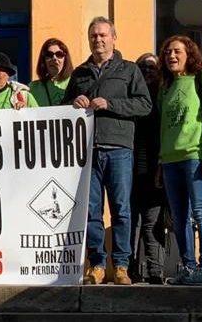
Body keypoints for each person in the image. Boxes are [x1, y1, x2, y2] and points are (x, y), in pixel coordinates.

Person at [65, 17, 152, 286]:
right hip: (88, 151)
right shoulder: (79, 73)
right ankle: (98, 265)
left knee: (121, 210)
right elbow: (63, 106)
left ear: (114, 37)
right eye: (93, 36)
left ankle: (122, 265)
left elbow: (144, 105)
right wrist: (73, 102)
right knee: (91, 211)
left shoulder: (129, 70)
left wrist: (110, 103)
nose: (98, 40)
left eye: (103, 35)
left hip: (119, 149)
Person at [157, 35, 202, 286]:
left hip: (195, 157)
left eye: (177, 52)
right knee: (179, 217)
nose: (171, 56)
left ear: (189, 55)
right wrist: (160, 161)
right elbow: (164, 128)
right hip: (170, 161)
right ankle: (188, 267)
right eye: (167, 53)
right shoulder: (166, 87)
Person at [129, 53, 168, 285]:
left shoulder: (164, 98)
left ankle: (156, 271)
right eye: (142, 68)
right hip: (131, 170)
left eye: (152, 68)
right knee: (131, 222)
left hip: (157, 170)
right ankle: (130, 268)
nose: (147, 72)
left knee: (153, 223)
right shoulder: (132, 97)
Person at [30, 39, 74, 107]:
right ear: (43, 60)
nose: (54, 58)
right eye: (49, 55)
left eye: (59, 54)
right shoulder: (33, 88)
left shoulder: (75, 83)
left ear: (65, 59)